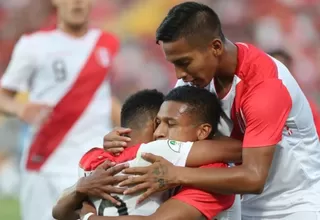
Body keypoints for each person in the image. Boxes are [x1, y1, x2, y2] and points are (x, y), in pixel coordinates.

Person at [104, 2, 320, 220]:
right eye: (173, 64)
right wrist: (122, 139)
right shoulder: (195, 81)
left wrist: (176, 174)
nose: (179, 74)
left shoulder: (265, 87)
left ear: (216, 47)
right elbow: (163, 126)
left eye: (184, 62)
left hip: (294, 205)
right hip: (236, 202)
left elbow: (254, 178)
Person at [0, 0, 121, 219]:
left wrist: (130, 125)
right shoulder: (33, 44)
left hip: (91, 162)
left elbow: (102, 96)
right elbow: (3, 96)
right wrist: (20, 109)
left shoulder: (106, 43)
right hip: (44, 161)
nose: (76, 2)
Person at [53, 87, 242, 220]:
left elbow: (243, 151)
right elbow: (59, 211)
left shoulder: (212, 173)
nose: (159, 132)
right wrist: (80, 190)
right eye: (158, 123)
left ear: (203, 131)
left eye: (171, 124)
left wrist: (88, 216)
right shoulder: (152, 157)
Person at [268, 49, 320, 137]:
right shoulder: (252, 105)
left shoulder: (305, 106)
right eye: (275, 68)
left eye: (284, 69)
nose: (279, 74)